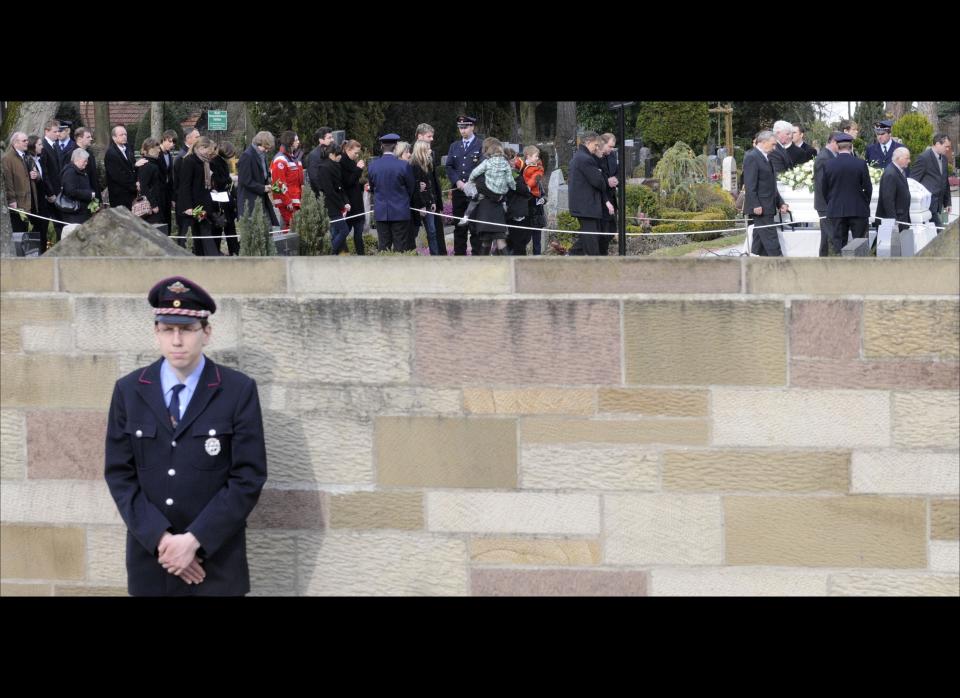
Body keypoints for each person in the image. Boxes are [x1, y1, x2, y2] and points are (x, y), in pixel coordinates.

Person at [104, 276, 267, 596]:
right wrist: (164, 543)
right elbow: (119, 474)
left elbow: (248, 476)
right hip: (153, 561)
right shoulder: (129, 390)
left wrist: (194, 542)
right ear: (156, 333)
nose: (177, 340)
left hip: (216, 564)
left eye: (187, 329)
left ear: (206, 333)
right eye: (168, 329)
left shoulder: (236, 390)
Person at [822, 132, 872, 255]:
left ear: (837, 147)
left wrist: (832, 202)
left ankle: (841, 270)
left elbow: (824, 189)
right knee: (860, 243)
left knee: (839, 244)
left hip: (837, 209)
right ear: (851, 147)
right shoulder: (860, 164)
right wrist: (864, 202)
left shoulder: (829, 164)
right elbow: (868, 188)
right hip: (858, 208)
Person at [568, 132, 615, 256]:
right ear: (588, 142)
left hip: (584, 206)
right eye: (595, 144)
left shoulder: (580, 157)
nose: (596, 147)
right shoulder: (586, 159)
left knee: (588, 238)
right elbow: (599, 182)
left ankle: (570, 256)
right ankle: (593, 267)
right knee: (591, 243)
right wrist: (602, 176)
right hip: (587, 207)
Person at [367, 133, 416, 252]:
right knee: (400, 247)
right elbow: (411, 188)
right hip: (400, 211)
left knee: (384, 247)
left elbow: (372, 188)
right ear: (395, 147)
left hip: (381, 211)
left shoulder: (373, 166)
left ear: (382, 147)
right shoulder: (403, 165)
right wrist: (403, 199)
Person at [743, 130, 789, 256]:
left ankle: (754, 262)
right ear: (763, 142)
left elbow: (770, 185)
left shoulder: (766, 157)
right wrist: (755, 204)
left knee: (759, 239)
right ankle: (780, 264)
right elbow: (750, 184)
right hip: (761, 207)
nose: (774, 148)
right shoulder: (752, 157)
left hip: (767, 205)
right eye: (773, 144)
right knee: (770, 238)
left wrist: (780, 203)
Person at [445, 115, 484, 255]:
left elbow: (483, 166)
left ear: (472, 127)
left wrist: (471, 182)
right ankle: (459, 257)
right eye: (460, 128)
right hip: (459, 193)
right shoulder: (454, 146)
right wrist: (457, 181)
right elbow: (449, 166)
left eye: (465, 127)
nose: (463, 130)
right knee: (459, 226)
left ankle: (477, 257)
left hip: (474, 193)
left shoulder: (480, 145)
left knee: (474, 226)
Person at [177, 136, 222, 256]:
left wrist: (212, 191)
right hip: (192, 205)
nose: (210, 153)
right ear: (201, 148)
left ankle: (207, 257)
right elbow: (185, 185)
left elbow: (204, 183)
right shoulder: (189, 161)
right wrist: (188, 206)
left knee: (204, 233)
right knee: (191, 234)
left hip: (203, 203)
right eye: (209, 150)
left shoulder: (205, 162)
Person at [313, 143, 352, 254]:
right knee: (343, 230)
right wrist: (342, 204)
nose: (340, 156)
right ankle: (330, 252)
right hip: (330, 204)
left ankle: (334, 254)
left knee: (335, 232)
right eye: (338, 154)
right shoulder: (324, 168)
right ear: (331, 155)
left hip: (337, 203)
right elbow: (329, 190)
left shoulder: (335, 165)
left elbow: (340, 186)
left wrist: (346, 202)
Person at [237, 130, 279, 227]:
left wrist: (269, 183)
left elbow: (263, 174)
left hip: (262, 200)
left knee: (268, 230)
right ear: (259, 143)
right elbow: (245, 180)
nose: (267, 151)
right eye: (265, 148)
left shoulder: (262, 155)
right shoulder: (247, 156)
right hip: (249, 202)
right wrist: (263, 188)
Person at [910, 133, 953, 227]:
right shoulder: (923, 158)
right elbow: (913, 181)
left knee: (935, 233)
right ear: (937, 144)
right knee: (939, 231)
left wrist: (947, 202)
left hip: (938, 204)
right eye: (946, 146)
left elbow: (945, 182)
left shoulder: (944, 159)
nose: (947, 149)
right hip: (926, 205)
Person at [410, 139, 444, 255]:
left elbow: (428, 184)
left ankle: (435, 256)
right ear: (421, 150)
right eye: (427, 148)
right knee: (413, 232)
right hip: (419, 205)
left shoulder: (428, 163)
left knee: (432, 231)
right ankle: (410, 255)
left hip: (428, 202)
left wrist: (433, 201)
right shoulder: (414, 165)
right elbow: (416, 187)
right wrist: (421, 206)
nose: (430, 150)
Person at [2, 132, 38, 238]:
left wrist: (36, 175)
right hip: (18, 203)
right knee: (19, 233)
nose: (27, 142)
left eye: (27, 140)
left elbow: (37, 173)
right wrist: (12, 200)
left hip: (31, 202)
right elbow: (8, 181)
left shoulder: (27, 156)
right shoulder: (7, 159)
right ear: (15, 143)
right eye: (24, 141)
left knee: (28, 234)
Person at [270, 131, 304, 229]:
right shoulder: (280, 160)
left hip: (294, 200)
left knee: (293, 229)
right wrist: (287, 201)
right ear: (290, 142)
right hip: (288, 203)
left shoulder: (292, 157)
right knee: (290, 230)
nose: (298, 142)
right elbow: (278, 184)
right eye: (296, 140)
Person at [813, 132, 839, 256]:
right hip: (825, 204)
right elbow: (821, 184)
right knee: (833, 235)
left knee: (826, 235)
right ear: (833, 142)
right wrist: (831, 202)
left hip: (828, 203)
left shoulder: (831, 155)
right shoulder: (824, 157)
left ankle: (823, 259)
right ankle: (838, 260)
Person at [876, 147, 912, 233]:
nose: (909, 161)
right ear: (898, 158)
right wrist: (893, 221)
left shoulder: (898, 171)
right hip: (895, 221)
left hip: (901, 218)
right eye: (907, 158)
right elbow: (888, 200)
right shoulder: (891, 174)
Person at [60, 149, 98, 225]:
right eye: (85, 161)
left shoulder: (80, 170)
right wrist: (89, 194)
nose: (86, 163)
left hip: (81, 211)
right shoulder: (70, 172)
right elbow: (70, 191)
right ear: (77, 159)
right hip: (74, 212)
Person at [521, 145, 546, 255]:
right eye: (536, 156)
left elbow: (542, 191)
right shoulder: (522, 167)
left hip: (536, 209)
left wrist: (543, 199)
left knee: (537, 239)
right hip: (525, 208)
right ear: (528, 156)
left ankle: (537, 259)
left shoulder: (538, 168)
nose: (537, 158)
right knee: (524, 238)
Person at [135, 137, 166, 226]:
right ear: (151, 149)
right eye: (157, 148)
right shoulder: (148, 165)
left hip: (156, 202)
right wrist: (153, 205)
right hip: (151, 206)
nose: (159, 151)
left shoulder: (153, 163)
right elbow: (144, 187)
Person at [598, 133, 620, 256]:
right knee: (603, 230)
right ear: (603, 143)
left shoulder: (612, 155)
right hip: (602, 198)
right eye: (610, 146)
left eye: (613, 147)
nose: (611, 150)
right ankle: (602, 255)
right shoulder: (597, 156)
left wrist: (616, 179)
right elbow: (597, 176)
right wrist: (607, 181)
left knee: (612, 229)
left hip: (611, 196)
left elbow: (618, 171)